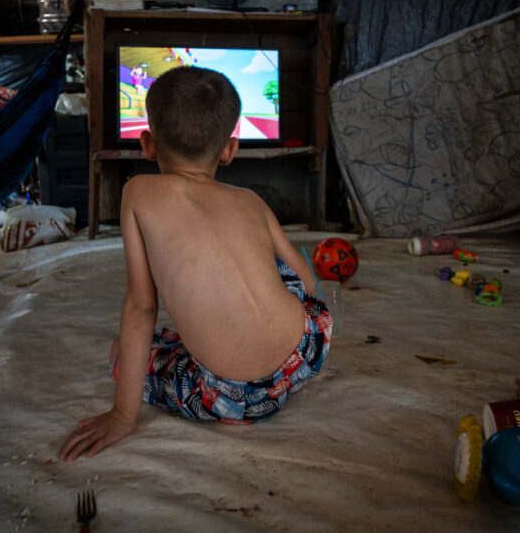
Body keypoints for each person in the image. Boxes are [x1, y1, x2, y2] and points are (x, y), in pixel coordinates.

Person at [59, 66, 332, 460]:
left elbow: (142, 306)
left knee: (122, 350)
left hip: (233, 398)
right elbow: (307, 283)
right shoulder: (251, 199)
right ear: (229, 150)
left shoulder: (137, 192)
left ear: (147, 144)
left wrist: (123, 413)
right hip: (308, 347)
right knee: (276, 272)